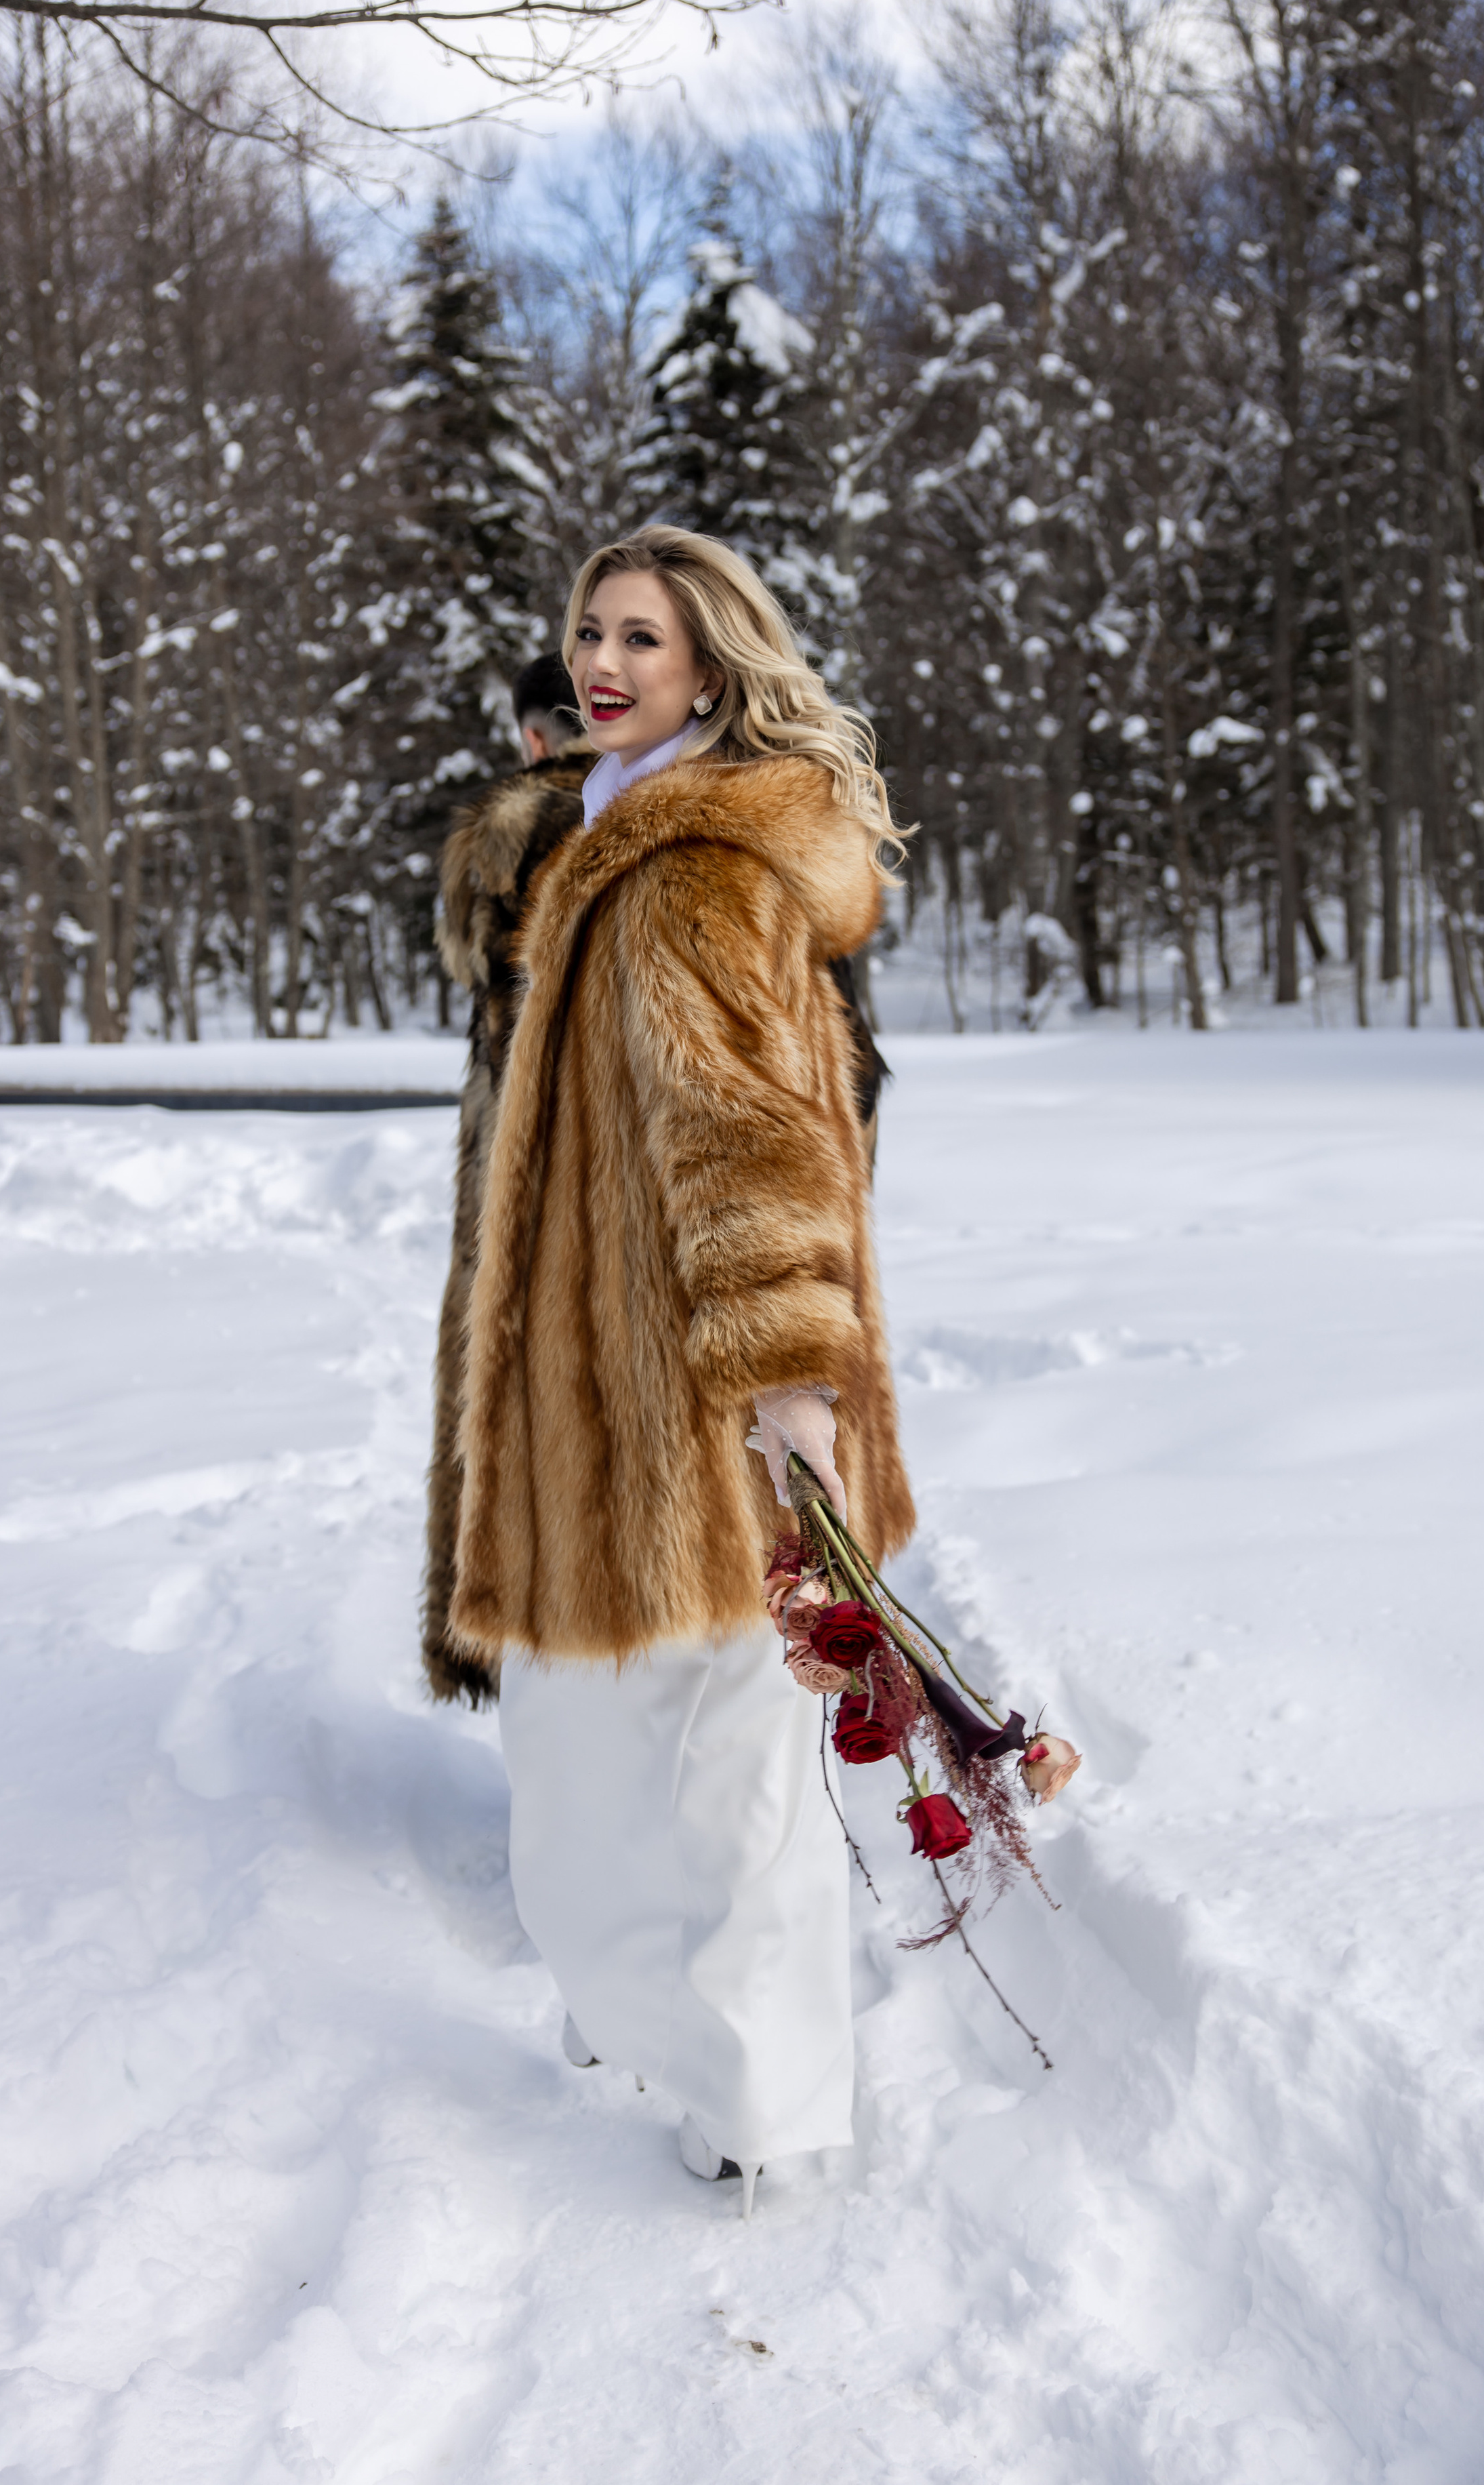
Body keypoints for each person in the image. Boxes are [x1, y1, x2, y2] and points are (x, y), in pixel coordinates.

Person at [440, 525, 915, 2208]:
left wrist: (788, 1383)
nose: (601, 660)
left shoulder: (686, 872)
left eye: (640, 637)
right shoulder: (610, 843)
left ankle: (767, 2110)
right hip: (606, 1394)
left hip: (694, 1396)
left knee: (727, 1790)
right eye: (587, 629)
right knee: (592, 1783)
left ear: (710, 668)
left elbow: (752, 1145)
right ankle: (688, 2048)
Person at [421, 658, 596, 1704]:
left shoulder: (527, 839)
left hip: (553, 1250)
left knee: (544, 1499)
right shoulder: (746, 822)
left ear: (536, 739)